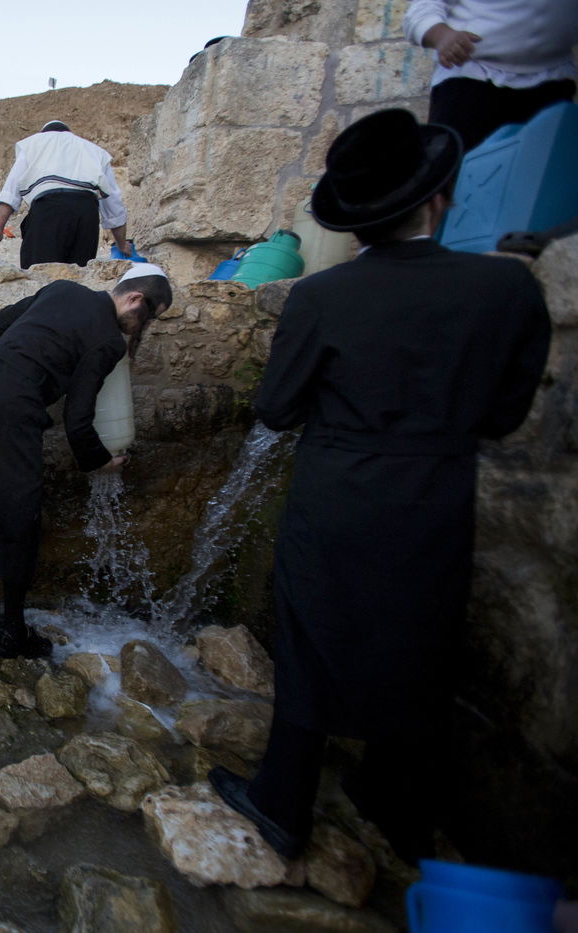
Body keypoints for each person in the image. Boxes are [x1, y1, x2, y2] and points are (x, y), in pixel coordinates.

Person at [208, 109, 551, 863]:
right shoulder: (506, 289)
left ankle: (282, 801)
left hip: (337, 491)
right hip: (437, 493)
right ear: (438, 199)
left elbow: (275, 408)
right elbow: (504, 414)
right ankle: (394, 808)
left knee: (312, 632)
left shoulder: (323, 297)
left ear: (353, 221)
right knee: (422, 636)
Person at [0, 265, 172, 657]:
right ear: (134, 299)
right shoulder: (107, 342)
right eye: (150, 316)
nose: (143, 326)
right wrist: (100, 461)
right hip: (13, 417)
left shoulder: (61, 289)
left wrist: (34, 348)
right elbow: (77, 419)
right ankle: (11, 629)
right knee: (21, 518)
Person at [405, 0, 578, 151]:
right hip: (473, 80)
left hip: (552, 80)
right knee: (465, 177)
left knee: (544, 179)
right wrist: (442, 36)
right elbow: (423, 7)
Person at [0, 120, 132, 268]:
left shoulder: (33, 144)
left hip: (48, 212)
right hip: (86, 215)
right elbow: (114, 205)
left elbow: (11, 192)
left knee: (41, 275)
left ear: (43, 133)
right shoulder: (94, 151)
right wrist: (121, 244)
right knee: (78, 279)